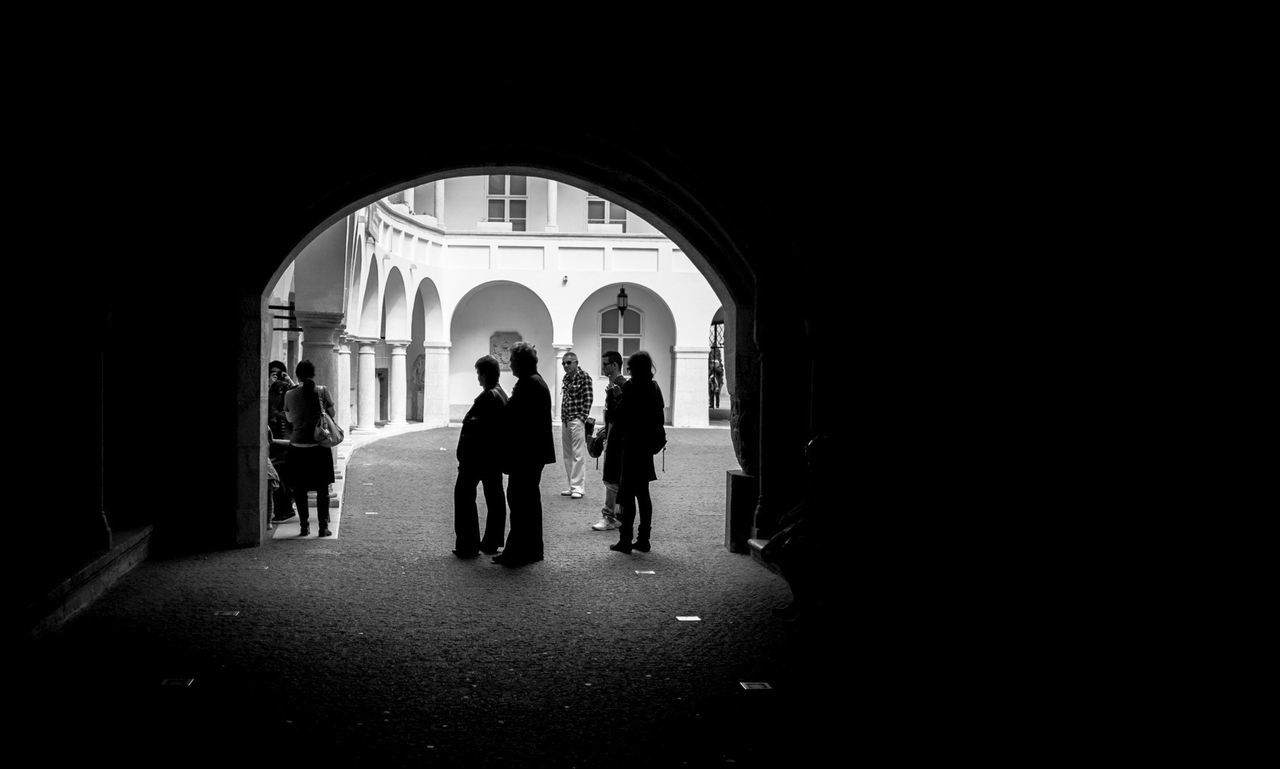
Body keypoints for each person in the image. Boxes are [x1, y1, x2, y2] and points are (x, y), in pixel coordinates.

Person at [493, 341, 555, 567]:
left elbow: (513, 417)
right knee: (529, 502)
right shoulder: (536, 382)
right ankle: (532, 549)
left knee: (519, 502)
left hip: (526, 454)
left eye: (514, 362)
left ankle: (516, 552)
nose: (511, 366)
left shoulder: (528, 385)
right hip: (534, 453)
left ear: (522, 363)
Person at [761, 434, 834, 622]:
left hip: (819, 532)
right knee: (781, 550)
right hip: (812, 528)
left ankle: (805, 603)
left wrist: (791, 528)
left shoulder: (824, 480)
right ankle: (802, 601)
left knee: (790, 553)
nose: (808, 462)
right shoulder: (818, 479)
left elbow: (818, 513)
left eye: (811, 457)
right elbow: (811, 507)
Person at [608, 351, 666, 554]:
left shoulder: (631, 387)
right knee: (643, 494)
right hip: (646, 446)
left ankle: (626, 539)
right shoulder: (653, 386)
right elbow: (658, 415)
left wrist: (614, 398)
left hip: (631, 446)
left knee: (627, 495)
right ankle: (644, 538)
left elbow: (620, 417)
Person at [453, 355, 508, 558]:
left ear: (484, 374)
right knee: (494, 497)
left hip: (477, 458)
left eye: (479, 374)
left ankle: (468, 544)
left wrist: (464, 455)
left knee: (464, 496)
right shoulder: (500, 394)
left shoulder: (488, 397)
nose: (478, 378)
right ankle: (492, 541)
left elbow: (474, 428)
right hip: (491, 456)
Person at [283, 359, 336, 538]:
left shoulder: (289, 394)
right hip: (318, 447)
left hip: (297, 447)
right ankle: (322, 528)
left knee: (299, 489)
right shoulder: (322, 391)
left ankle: (304, 527)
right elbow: (332, 414)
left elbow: (289, 419)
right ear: (313, 373)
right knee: (322, 490)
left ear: (297, 374)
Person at [593, 350, 627, 531]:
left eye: (606, 364)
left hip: (618, 440)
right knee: (612, 478)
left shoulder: (621, 385)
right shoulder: (612, 384)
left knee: (612, 478)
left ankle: (610, 515)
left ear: (615, 365)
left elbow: (619, 416)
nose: (603, 366)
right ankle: (614, 514)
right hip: (612, 437)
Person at [558, 351, 593, 500]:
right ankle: (572, 485)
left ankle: (578, 487)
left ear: (576, 362)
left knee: (578, 454)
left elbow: (588, 398)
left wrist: (581, 417)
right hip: (566, 419)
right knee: (568, 454)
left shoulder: (584, 377)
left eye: (569, 362)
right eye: (564, 363)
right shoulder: (566, 378)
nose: (566, 365)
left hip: (576, 420)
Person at [267, 361, 297, 522]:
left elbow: (300, 397)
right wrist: (269, 385)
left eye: (280, 373)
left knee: (284, 475)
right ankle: (282, 509)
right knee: (279, 475)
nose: (277, 376)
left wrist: (289, 381)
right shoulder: (269, 390)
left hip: (285, 439)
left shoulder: (287, 390)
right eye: (273, 373)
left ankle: (284, 509)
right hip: (272, 438)